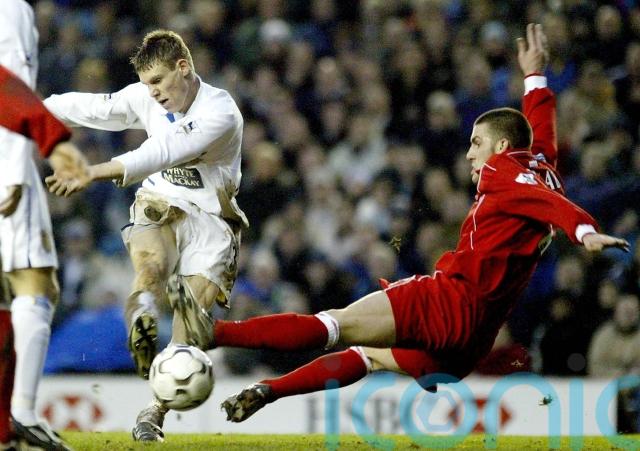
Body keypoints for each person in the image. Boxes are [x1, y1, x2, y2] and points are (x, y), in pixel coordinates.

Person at [191, 24, 627, 423]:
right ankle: (269, 390)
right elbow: (542, 135)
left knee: (333, 325)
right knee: (368, 356)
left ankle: (215, 332)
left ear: (501, 147)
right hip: (473, 340)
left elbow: (556, 207)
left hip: (449, 303)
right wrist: (535, 76)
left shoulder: (501, 170)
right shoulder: (541, 168)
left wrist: (583, 231)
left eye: (477, 143)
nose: (470, 154)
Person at [44, 29, 247, 442]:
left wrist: (91, 172)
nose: (152, 92)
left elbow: (161, 152)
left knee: (192, 320)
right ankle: (143, 313)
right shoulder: (146, 97)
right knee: (151, 267)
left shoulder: (220, 111)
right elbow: (95, 108)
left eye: (157, 81)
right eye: (145, 83)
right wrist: (33, 109)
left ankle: (154, 410)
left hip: (212, 219)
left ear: (182, 67)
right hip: (161, 199)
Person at [0, 2, 87, 450]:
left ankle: (4, 428)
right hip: (5, 160)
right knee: (34, 282)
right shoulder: (10, 8)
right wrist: (19, 168)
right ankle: (23, 413)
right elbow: (6, 81)